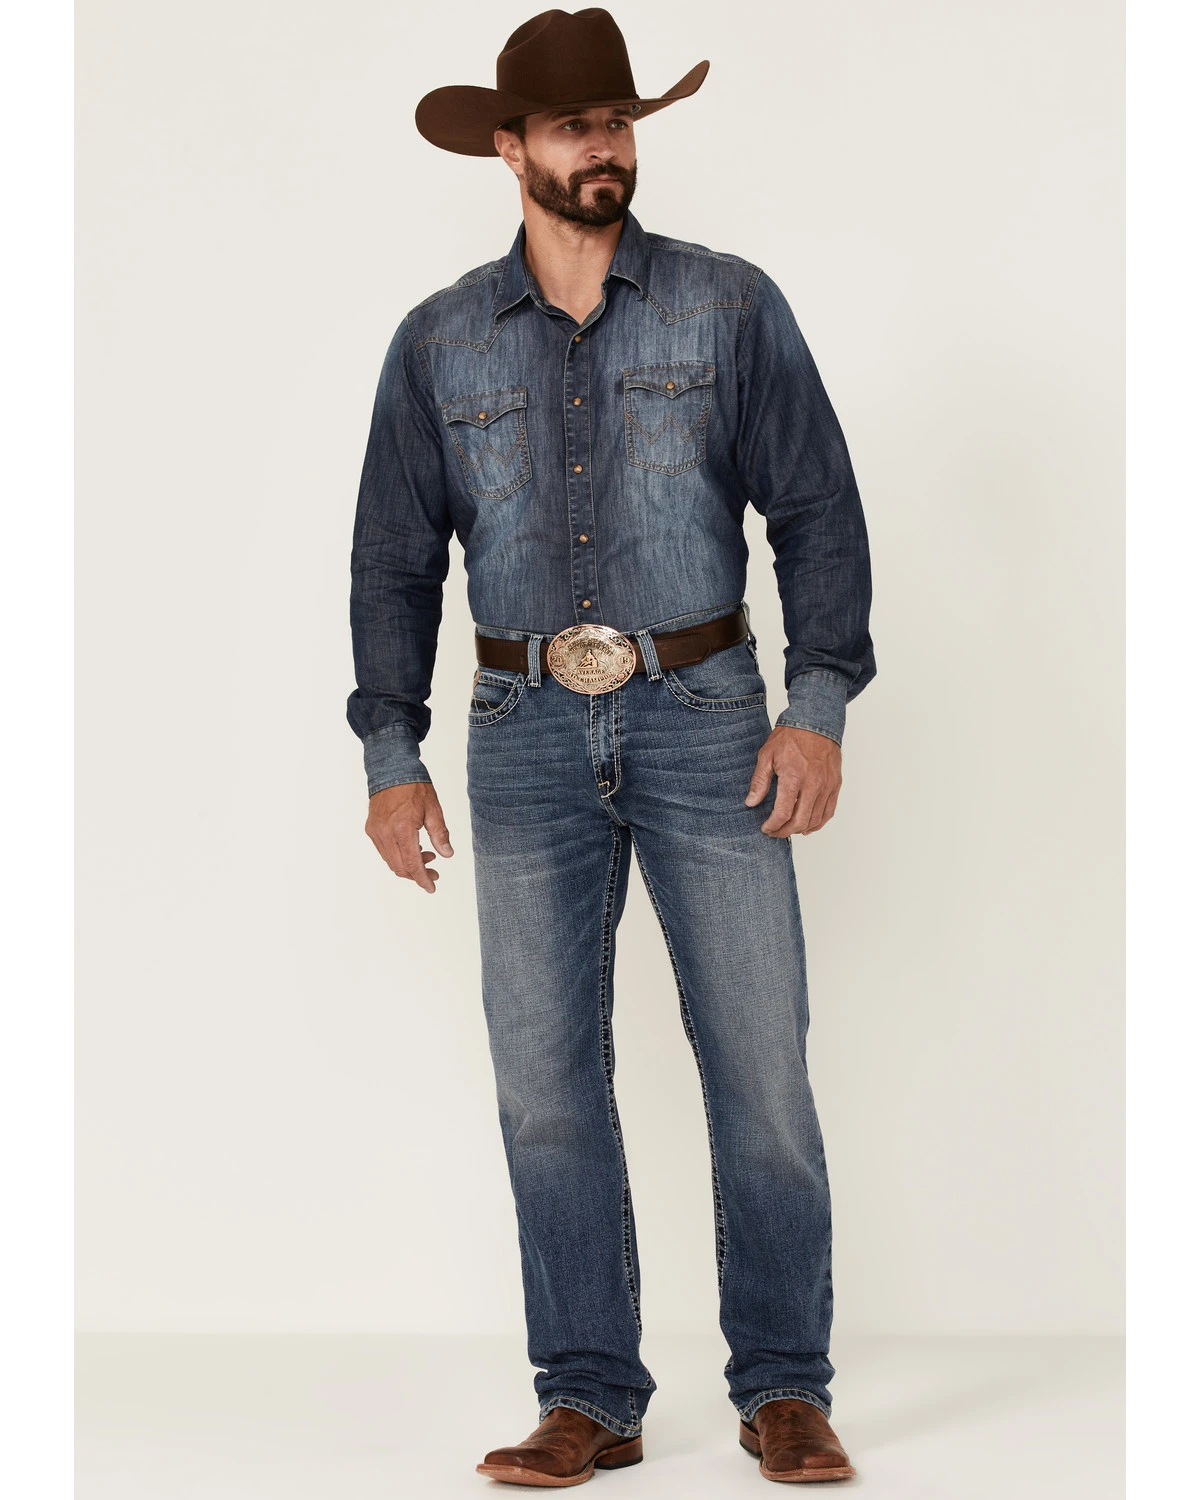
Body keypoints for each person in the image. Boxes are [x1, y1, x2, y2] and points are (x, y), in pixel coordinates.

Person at [347, 8, 874, 1486]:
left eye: (620, 122)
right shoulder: (439, 339)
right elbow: (393, 561)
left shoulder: (728, 306)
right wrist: (390, 753)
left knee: (761, 1069)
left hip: (710, 720)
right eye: (575, 126)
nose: (605, 148)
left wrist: (817, 708)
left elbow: (818, 511)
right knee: (545, 1085)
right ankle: (588, 1395)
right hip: (518, 732)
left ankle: (785, 1384)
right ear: (509, 148)